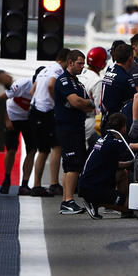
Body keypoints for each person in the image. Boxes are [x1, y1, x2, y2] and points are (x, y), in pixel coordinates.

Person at [78, 113, 138, 220]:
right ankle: (96, 202)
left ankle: (117, 199)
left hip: (89, 183)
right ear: (123, 128)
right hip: (93, 188)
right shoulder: (113, 142)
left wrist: (128, 164)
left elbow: (107, 163)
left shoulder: (105, 137)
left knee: (121, 174)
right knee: (132, 207)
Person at [54, 49, 96, 214]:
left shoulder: (76, 82)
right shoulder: (64, 80)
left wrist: (86, 103)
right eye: (79, 63)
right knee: (73, 165)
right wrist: (87, 104)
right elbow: (77, 101)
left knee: (72, 165)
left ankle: (67, 201)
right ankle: (68, 200)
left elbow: (87, 102)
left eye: (83, 63)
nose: (82, 66)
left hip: (76, 127)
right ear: (70, 62)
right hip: (68, 127)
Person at [28, 47, 70, 197]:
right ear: (67, 60)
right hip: (45, 113)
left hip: (34, 111)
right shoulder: (58, 70)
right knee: (57, 147)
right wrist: (55, 103)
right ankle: (53, 184)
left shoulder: (44, 69)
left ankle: (37, 185)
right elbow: (52, 85)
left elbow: (33, 91)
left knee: (43, 150)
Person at [0, 67, 42, 195]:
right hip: (13, 117)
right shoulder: (22, 84)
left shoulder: (45, 86)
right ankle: (6, 179)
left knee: (32, 150)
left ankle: (24, 183)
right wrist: (6, 120)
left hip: (29, 119)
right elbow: (0, 98)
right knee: (11, 150)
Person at [100, 43, 137, 129]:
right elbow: (135, 100)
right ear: (130, 59)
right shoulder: (125, 79)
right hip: (117, 121)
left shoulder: (109, 71)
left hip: (106, 117)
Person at [78, 46, 107, 149]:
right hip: (89, 120)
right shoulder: (97, 80)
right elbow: (98, 107)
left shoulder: (80, 73)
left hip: (74, 118)